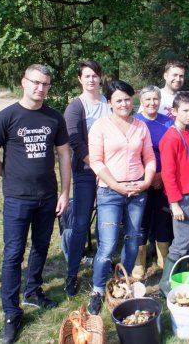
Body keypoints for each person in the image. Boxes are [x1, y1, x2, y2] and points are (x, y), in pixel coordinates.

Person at [0, 64, 71, 344]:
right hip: (18, 199)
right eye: (35, 82)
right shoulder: (6, 117)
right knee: (13, 254)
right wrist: (8, 174)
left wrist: (65, 192)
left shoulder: (54, 118)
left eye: (45, 84)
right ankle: (11, 313)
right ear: (23, 82)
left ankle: (33, 291)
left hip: (47, 197)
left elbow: (64, 155)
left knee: (42, 246)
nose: (40, 88)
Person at [87, 80, 155, 315]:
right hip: (109, 191)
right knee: (106, 245)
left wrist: (146, 181)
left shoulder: (140, 127)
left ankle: (121, 282)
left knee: (133, 239)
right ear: (110, 103)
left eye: (127, 99)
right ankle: (97, 289)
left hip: (137, 191)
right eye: (119, 100)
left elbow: (149, 158)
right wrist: (115, 185)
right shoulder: (100, 127)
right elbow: (96, 160)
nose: (124, 103)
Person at [63, 60, 111, 297]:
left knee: (106, 221)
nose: (92, 79)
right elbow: (74, 140)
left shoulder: (108, 102)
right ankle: (71, 273)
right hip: (85, 171)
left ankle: (103, 266)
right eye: (87, 76)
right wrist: (94, 163)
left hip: (109, 172)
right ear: (80, 79)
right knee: (81, 222)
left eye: (95, 75)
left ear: (100, 77)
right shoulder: (76, 107)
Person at [158, 93, 189, 296]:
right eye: (185, 110)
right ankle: (165, 284)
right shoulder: (171, 137)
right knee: (182, 240)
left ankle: (179, 276)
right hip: (181, 198)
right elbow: (168, 174)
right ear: (174, 112)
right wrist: (174, 203)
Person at [132, 85, 174, 278]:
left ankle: (163, 257)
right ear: (141, 102)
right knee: (141, 219)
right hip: (140, 180)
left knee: (163, 218)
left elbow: (173, 152)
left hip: (164, 179)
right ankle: (139, 261)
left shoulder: (168, 122)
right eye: (147, 99)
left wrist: (161, 175)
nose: (152, 103)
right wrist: (148, 178)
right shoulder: (134, 122)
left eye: (155, 99)